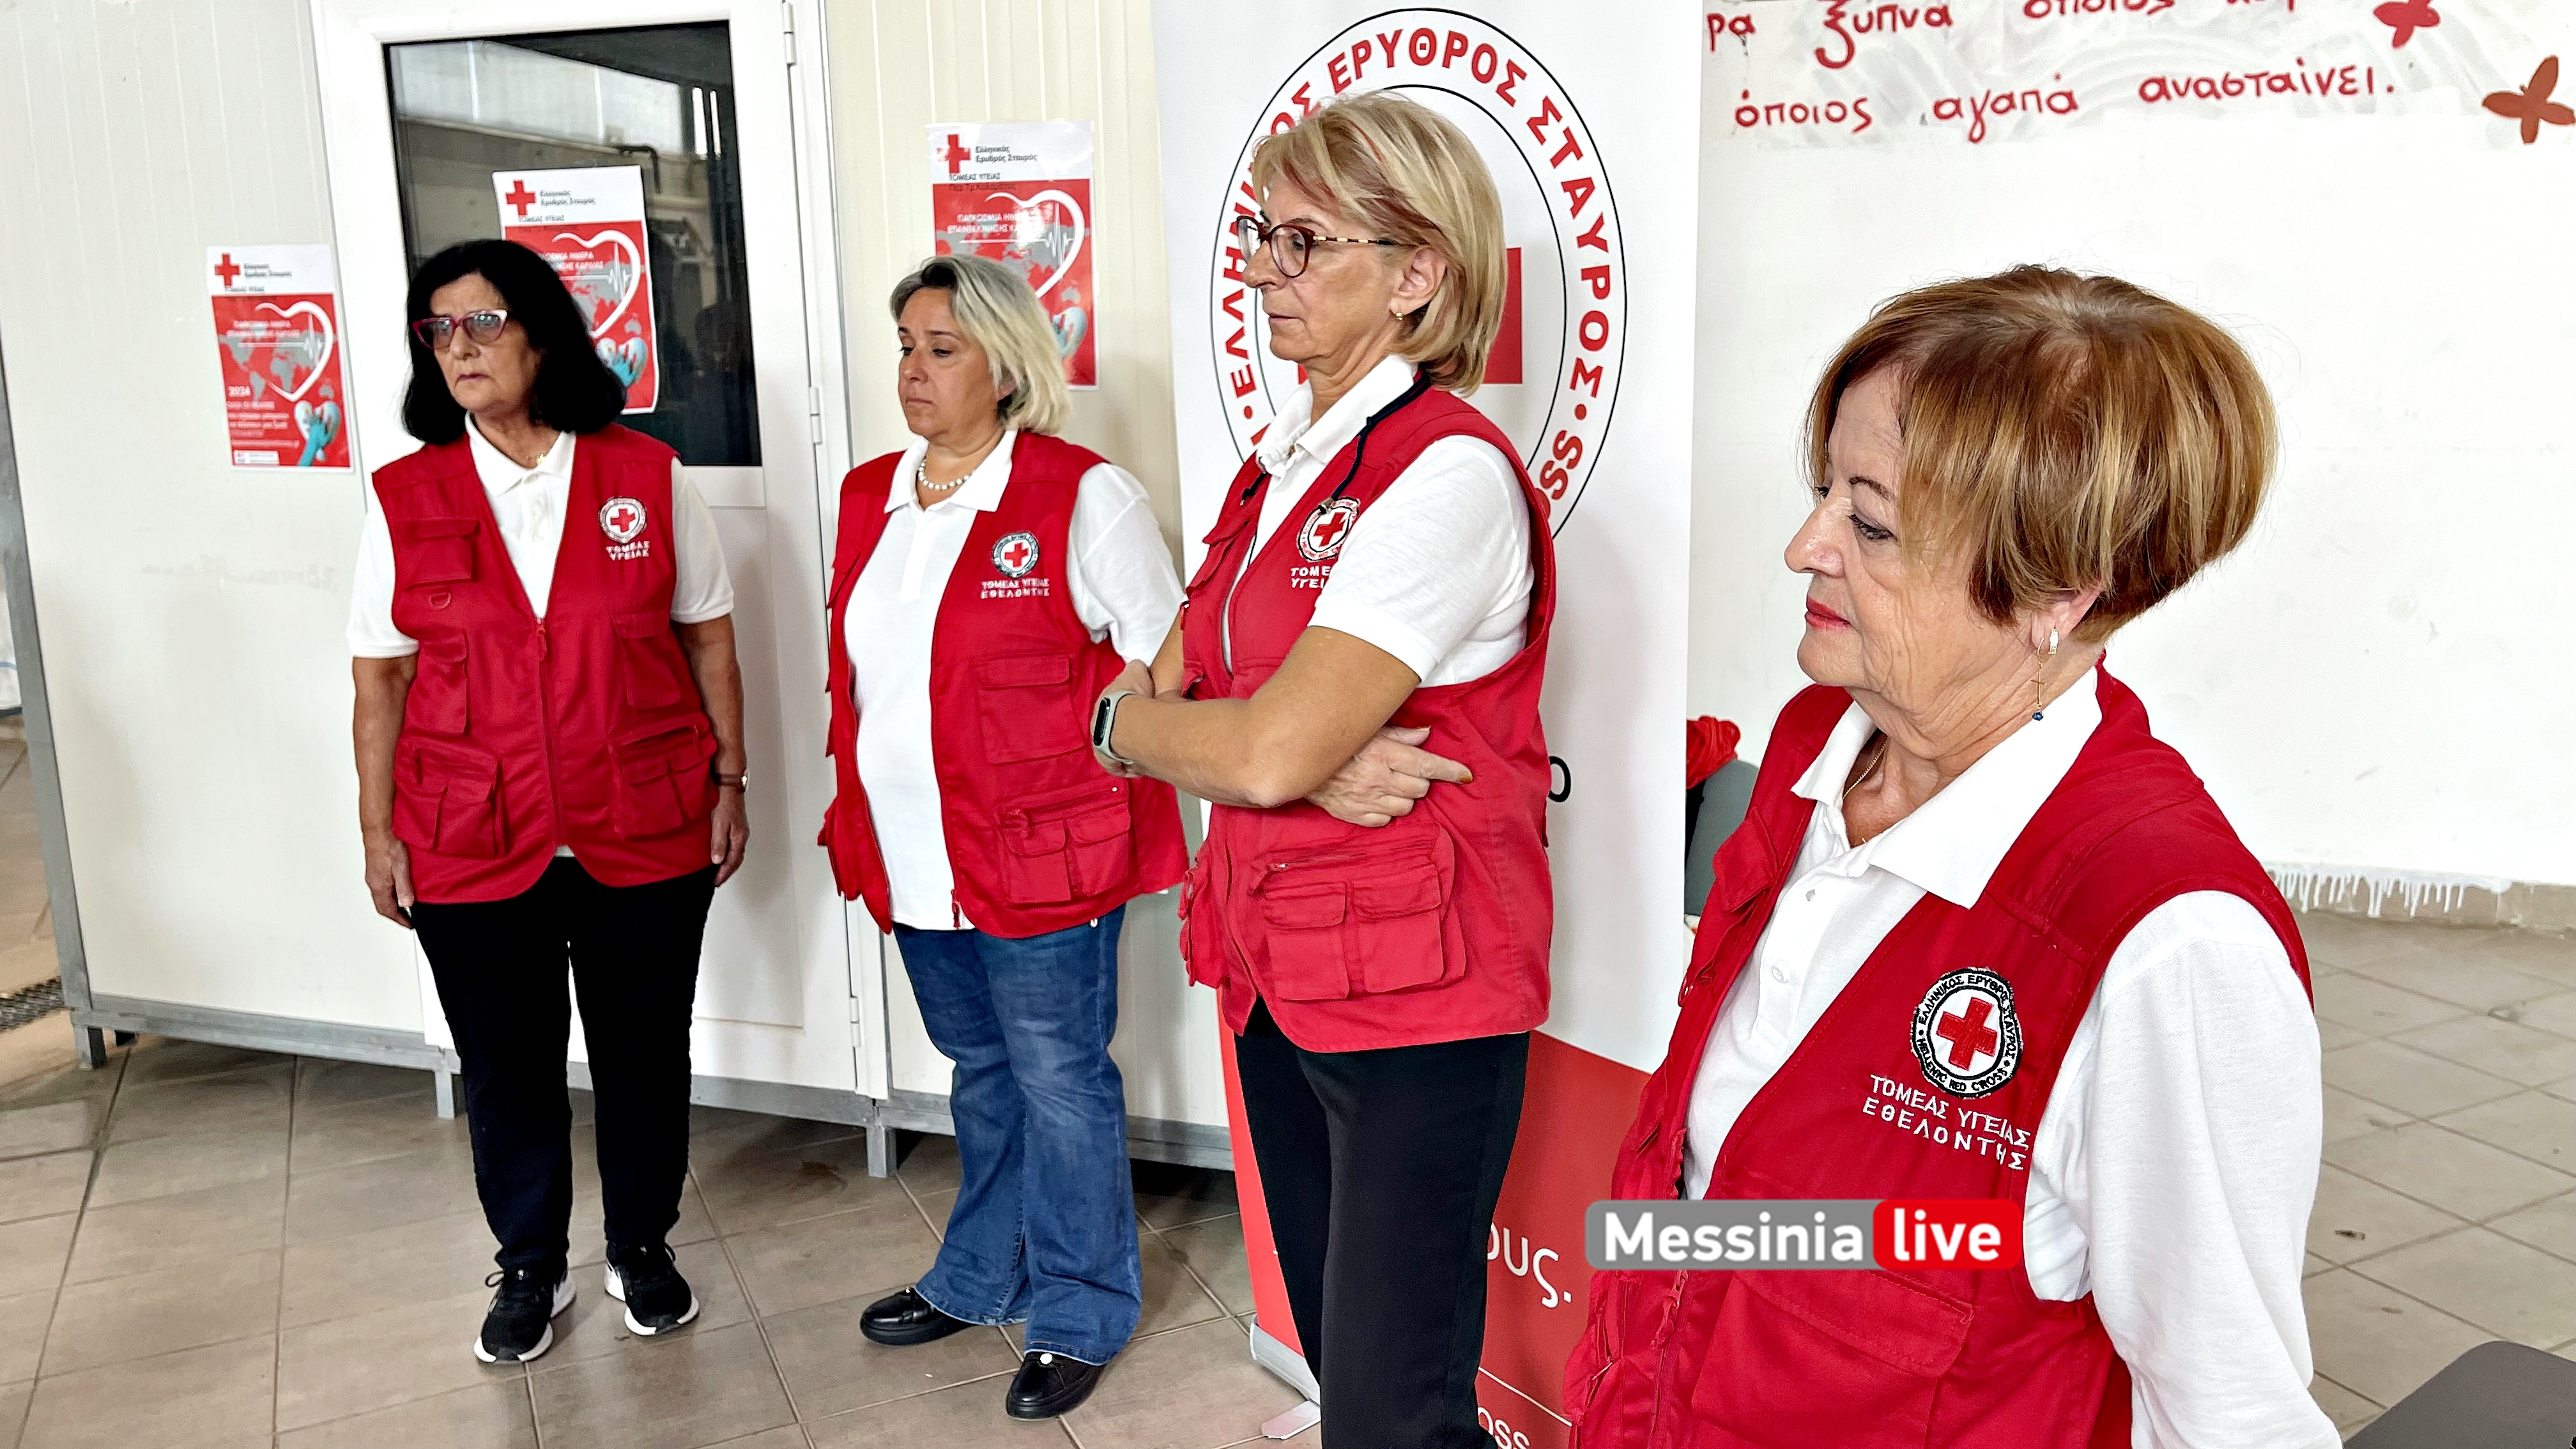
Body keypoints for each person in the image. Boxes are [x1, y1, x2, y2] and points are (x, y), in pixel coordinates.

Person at [1565, 267, 2335, 1448]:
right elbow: (1747, 1173)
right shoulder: (1818, 745)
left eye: (1871, 524)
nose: (1804, 546)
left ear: (2057, 594)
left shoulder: (2167, 946)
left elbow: (2230, 1413)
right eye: (1824, 491)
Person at [1089, 93, 1551, 1448]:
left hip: (1415, 999)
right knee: (1345, 1368)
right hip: (1279, 973)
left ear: (1418, 276)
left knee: (1391, 1412)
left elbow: (1237, 737)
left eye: (1305, 243)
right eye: (1263, 236)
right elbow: (1177, 693)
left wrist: (1244, 748)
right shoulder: (1282, 467)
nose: (1263, 272)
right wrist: (1263, 749)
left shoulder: (1445, 473)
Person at [349, 238, 749, 1365]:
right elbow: (379, 682)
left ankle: (641, 1247)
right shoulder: (405, 497)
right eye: (440, 330)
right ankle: (530, 1264)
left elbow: (709, 638)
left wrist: (731, 778)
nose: (460, 347)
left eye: (482, 322)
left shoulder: (646, 476)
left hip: (645, 814)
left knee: (643, 1050)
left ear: (542, 333)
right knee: (506, 1063)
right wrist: (378, 833)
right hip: (471, 832)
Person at [827, 255, 1188, 1420]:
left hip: (1043, 850)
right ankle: (984, 1273)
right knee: (982, 1072)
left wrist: (1106, 744)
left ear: (1008, 364)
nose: (913, 370)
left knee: (1061, 1081)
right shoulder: (870, 496)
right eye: (906, 346)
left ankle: (1081, 1310)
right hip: (912, 850)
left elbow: (1168, 653)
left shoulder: (1083, 495)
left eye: (942, 349)